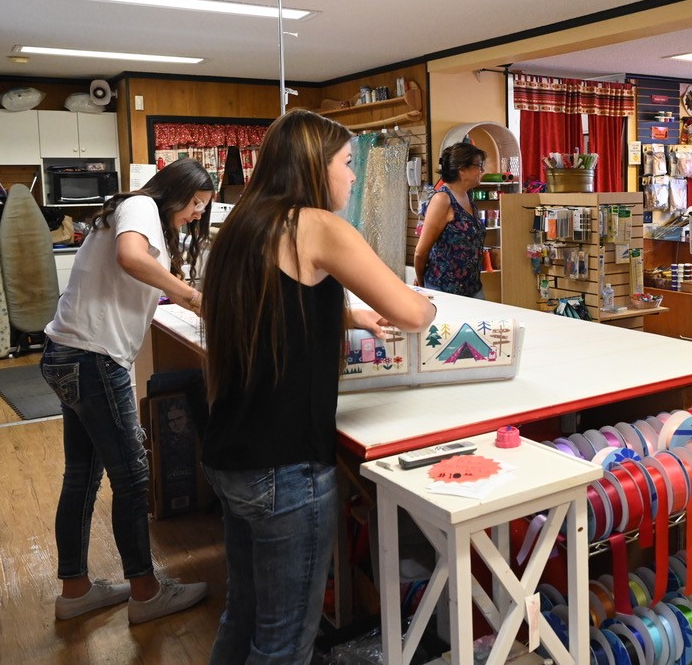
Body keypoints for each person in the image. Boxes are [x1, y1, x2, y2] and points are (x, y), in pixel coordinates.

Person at [201, 108, 436, 663]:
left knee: (244, 615)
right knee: (284, 643)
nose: (353, 177)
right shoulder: (319, 226)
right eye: (347, 164)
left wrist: (347, 316)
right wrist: (427, 303)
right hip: (286, 469)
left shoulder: (243, 225)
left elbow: (273, 305)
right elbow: (411, 312)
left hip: (232, 455)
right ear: (313, 166)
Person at [41, 159, 213, 623]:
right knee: (134, 478)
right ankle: (145, 591)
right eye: (196, 203)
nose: (198, 213)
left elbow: (131, 275)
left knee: (82, 476)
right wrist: (193, 297)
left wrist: (183, 293)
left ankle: (75, 590)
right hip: (94, 360)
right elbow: (131, 259)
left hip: (67, 353)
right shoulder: (140, 204)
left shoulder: (131, 213)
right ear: (175, 192)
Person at [414, 142, 488, 298]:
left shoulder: (468, 195)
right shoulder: (442, 199)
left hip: (472, 288)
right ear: (462, 169)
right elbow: (421, 253)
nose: (482, 170)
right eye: (479, 166)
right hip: (443, 289)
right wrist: (422, 283)